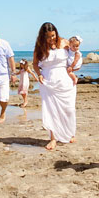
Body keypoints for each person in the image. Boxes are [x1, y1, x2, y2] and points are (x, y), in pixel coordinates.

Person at [33, 22, 77, 150]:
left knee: (68, 108)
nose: (51, 39)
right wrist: (39, 74)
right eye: (48, 36)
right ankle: (53, 138)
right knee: (51, 110)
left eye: (53, 35)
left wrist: (72, 70)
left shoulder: (64, 43)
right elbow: (35, 63)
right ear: (43, 36)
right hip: (48, 82)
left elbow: (74, 55)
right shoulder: (40, 47)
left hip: (64, 80)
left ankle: (70, 133)